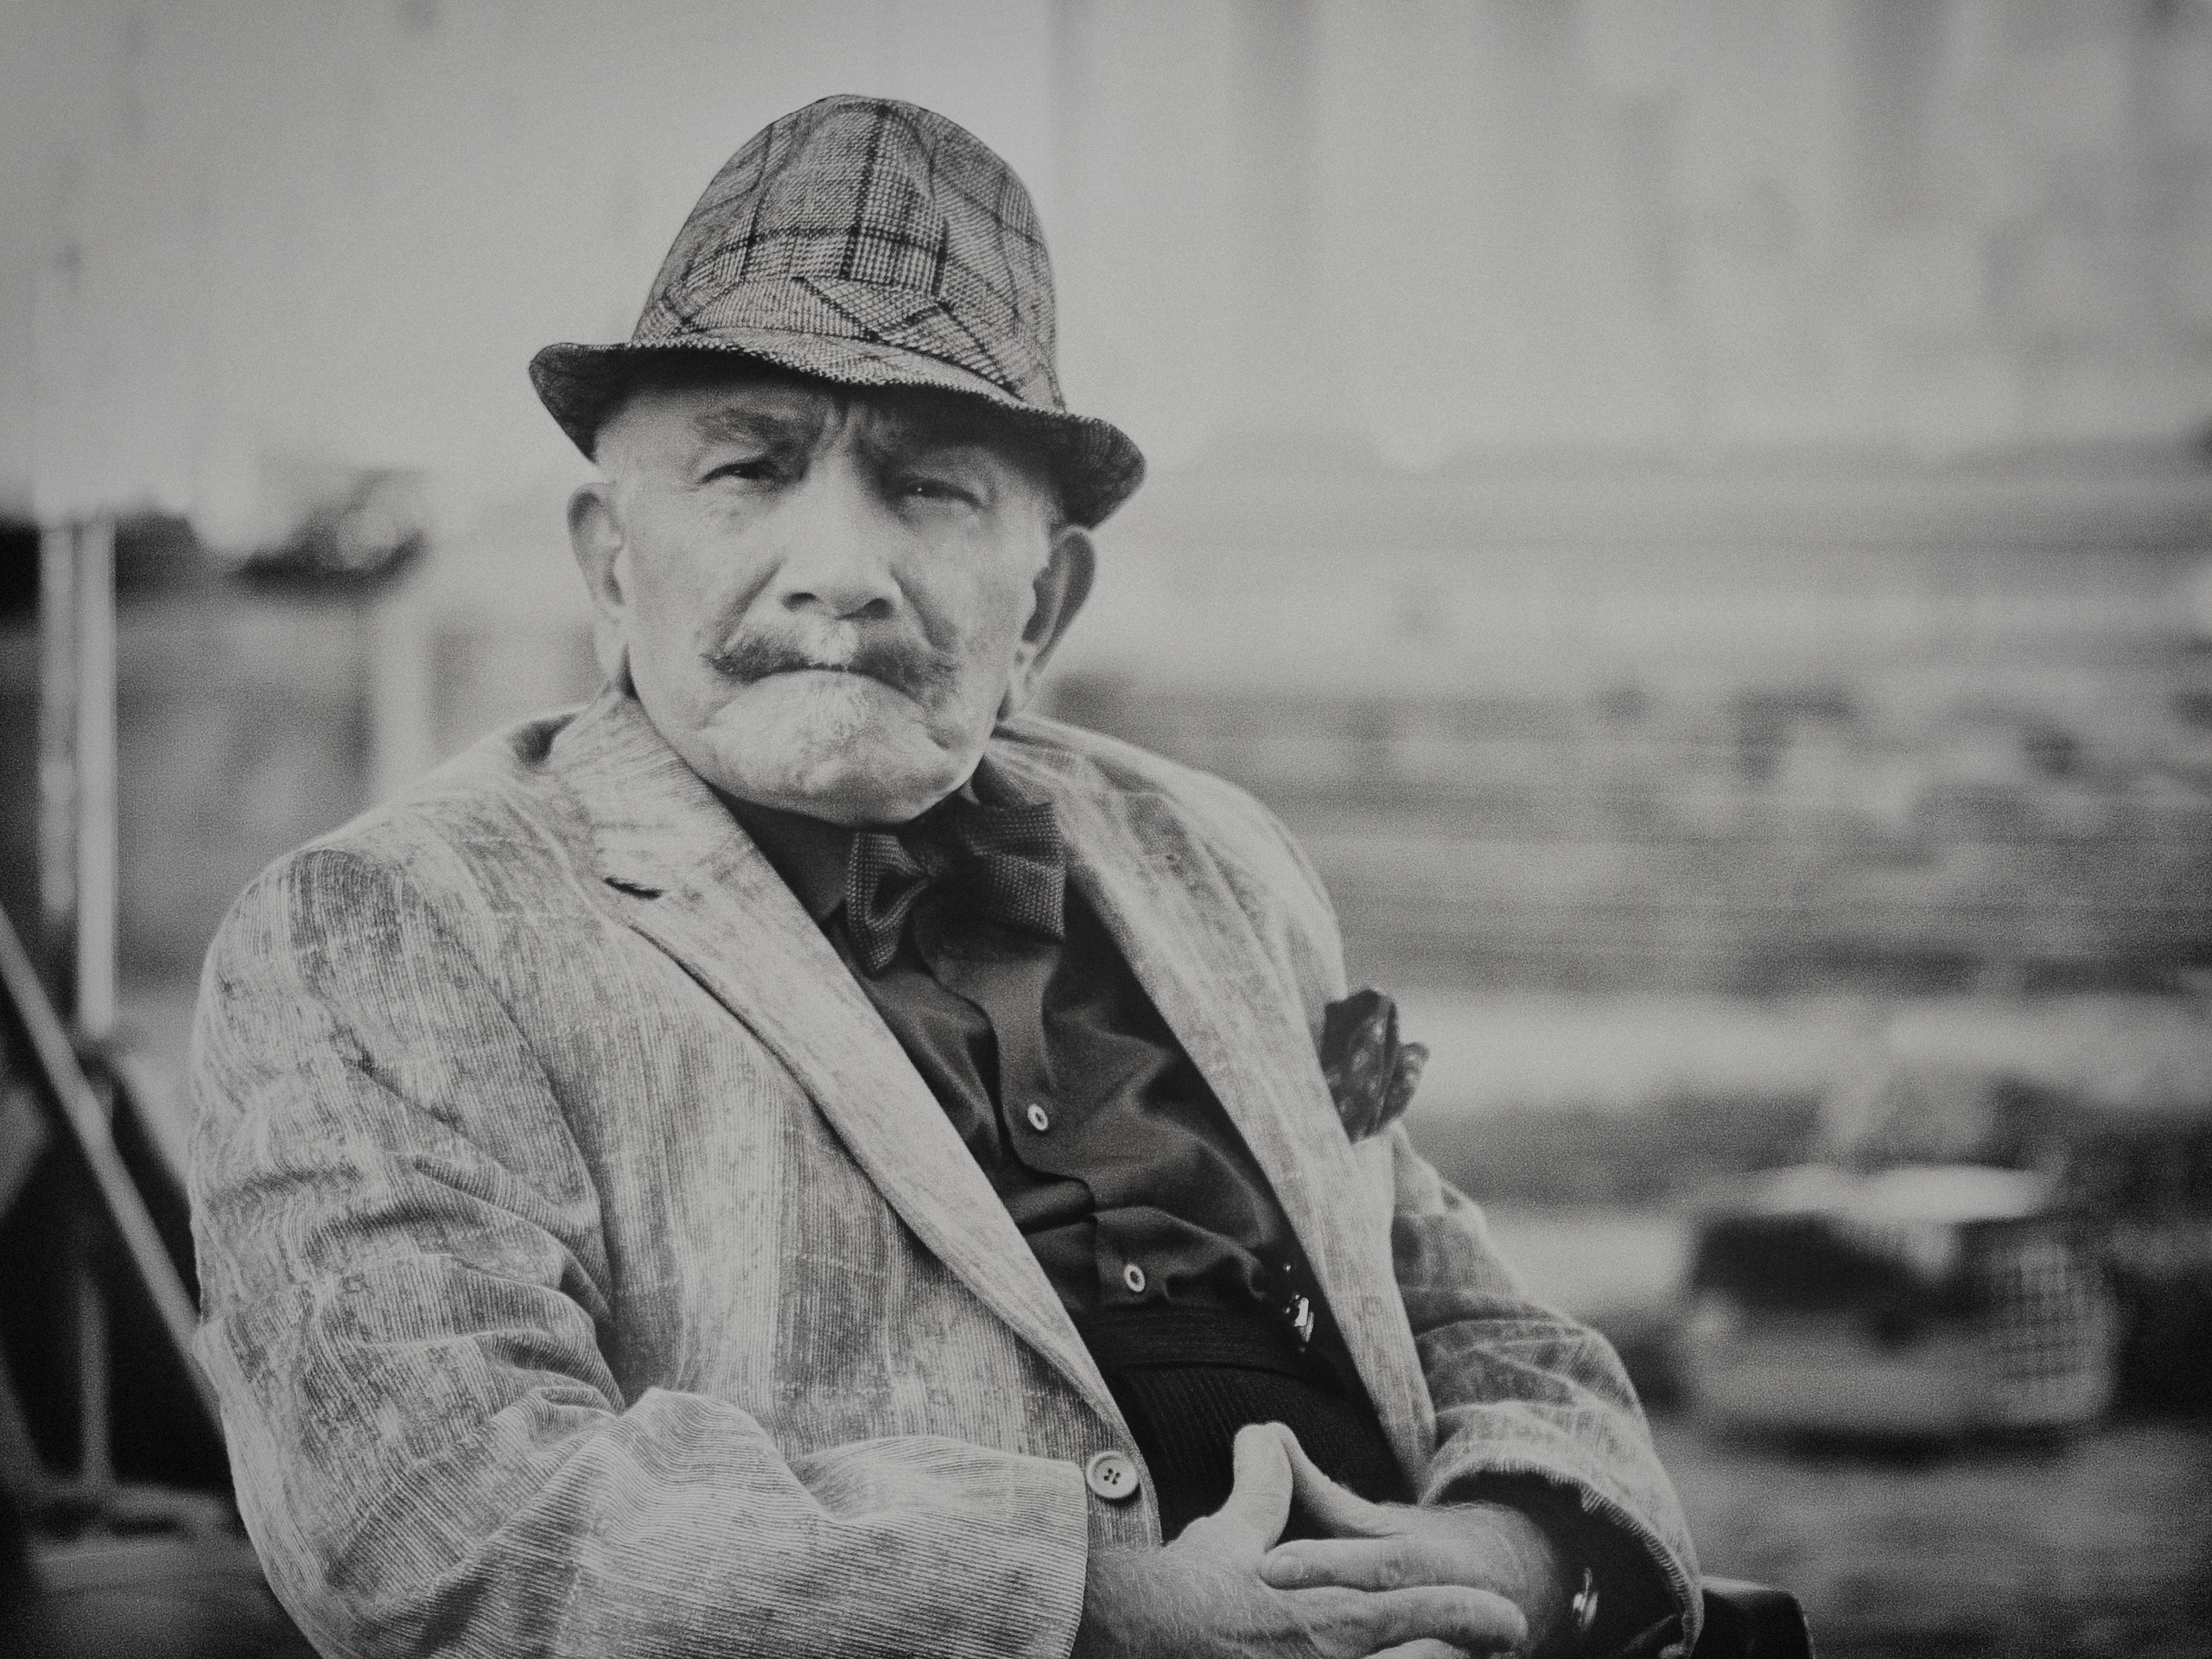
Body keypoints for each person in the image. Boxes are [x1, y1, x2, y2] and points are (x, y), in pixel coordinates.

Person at [189, 95, 1701, 1659]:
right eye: (748, 469)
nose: (841, 568)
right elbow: (447, 1521)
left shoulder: (1222, 867)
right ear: (606, 559)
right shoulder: (386, 935)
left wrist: (1528, 1553)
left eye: (929, 487)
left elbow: (1462, 1307)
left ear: (1043, 603)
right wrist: (1087, 1612)